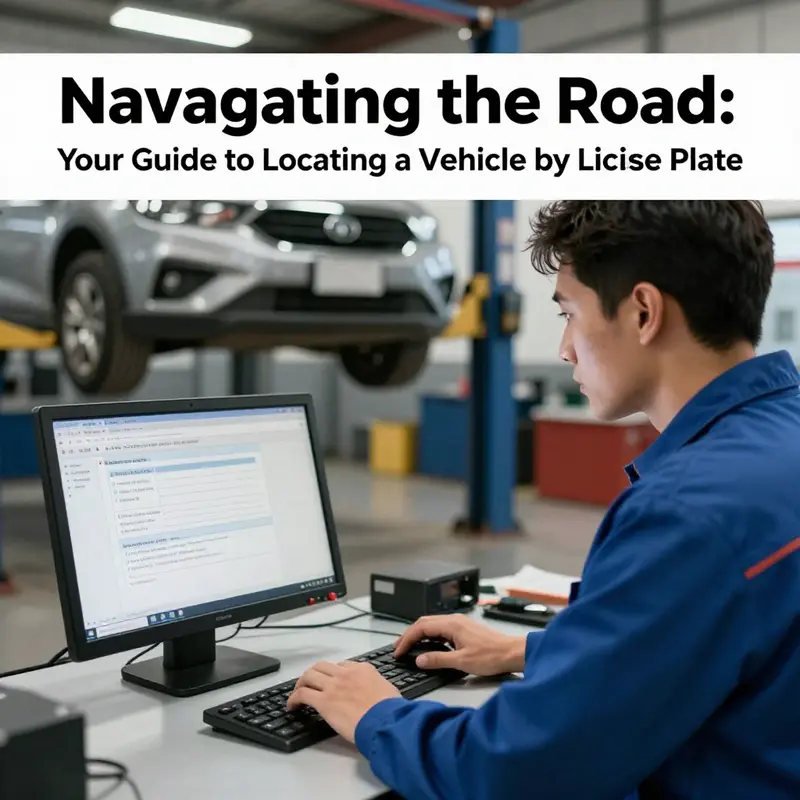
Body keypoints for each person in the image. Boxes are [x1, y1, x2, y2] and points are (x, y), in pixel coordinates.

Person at [287, 201, 800, 799]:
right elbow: (721, 634)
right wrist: (532, 649)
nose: (563, 349)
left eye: (569, 313)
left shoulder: (688, 514)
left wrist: (375, 713)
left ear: (642, 311)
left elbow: (516, 773)